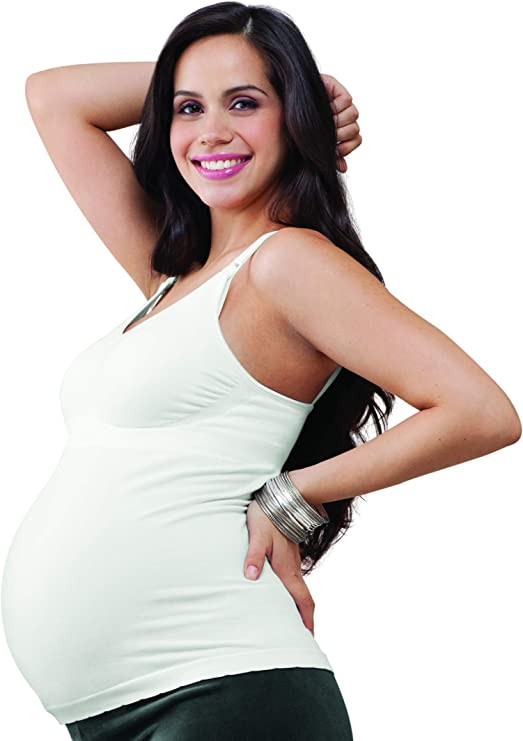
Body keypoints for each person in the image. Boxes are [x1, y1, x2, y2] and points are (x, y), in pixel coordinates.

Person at [1, 3, 520, 740]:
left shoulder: (285, 264)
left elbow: (481, 411)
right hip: (133, 707)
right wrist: (269, 82)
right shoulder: (172, 275)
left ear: (293, 119)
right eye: (188, 108)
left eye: (244, 104)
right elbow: (53, 97)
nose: (211, 131)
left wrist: (292, 494)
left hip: (220, 690)